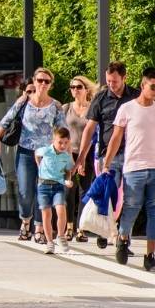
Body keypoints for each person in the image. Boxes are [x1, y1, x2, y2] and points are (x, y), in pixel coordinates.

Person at [102, 66, 155, 273]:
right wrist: (107, 163)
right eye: (153, 87)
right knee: (131, 208)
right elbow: (116, 138)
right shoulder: (127, 109)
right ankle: (123, 239)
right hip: (134, 167)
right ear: (143, 85)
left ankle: (150, 257)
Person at [0, 69, 66, 243]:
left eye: (46, 81)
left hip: (48, 156)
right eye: (40, 80)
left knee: (43, 191)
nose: (42, 84)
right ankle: (26, 221)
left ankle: (39, 228)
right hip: (26, 152)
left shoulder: (56, 105)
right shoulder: (24, 101)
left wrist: (64, 154)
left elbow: (63, 131)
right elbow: (5, 121)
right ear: (34, 81)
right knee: (25, 192)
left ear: (51, 84)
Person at [78, 62, 138, 249]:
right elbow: (89, 129)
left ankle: (122, 236)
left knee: (130, 198)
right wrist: (81, 157)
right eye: (109, 81)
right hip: (108, 155)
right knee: (110, 195)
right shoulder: (101, 97)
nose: (111, 84)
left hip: (132, 153)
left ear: (124, 78)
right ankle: (106, 229)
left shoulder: (135, 96)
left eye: (115, 81)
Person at [64, 76, 97, 242]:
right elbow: (61, 133)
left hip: (88, 153)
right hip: (69, 153)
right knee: (69, 190)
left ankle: (81, 228)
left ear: (86, 90)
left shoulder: (92, 109)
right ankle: (69, 226)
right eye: (72, 87)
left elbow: (93, 134)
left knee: (85, 191)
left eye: (78, 87)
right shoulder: (66, 108)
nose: (75, 90)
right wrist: (70, 155)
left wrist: (83, 156)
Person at [35, 126, 76, 255]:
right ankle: (49, 242)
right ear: (53, 140)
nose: (63, 145)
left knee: (61, 209)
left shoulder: (66, 156)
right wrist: (39, 166)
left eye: (66, 142)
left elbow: (68, 169)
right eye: (60, 142)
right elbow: (36, 153)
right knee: (46, 214)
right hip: (43, 186)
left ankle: (61, 236)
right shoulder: (46, 151)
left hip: (58, 185)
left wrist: (68, 179)